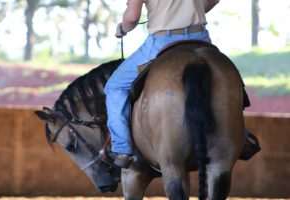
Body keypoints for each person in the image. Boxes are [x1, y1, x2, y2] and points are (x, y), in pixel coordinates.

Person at [104, 0, 260, 168]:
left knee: (115, 87)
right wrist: (194, 9)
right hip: (200, 35)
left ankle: (122, 148)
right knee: (225, 77)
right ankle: (239, 136)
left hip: (162, 40)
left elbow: (132, 17)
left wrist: (123, 28)